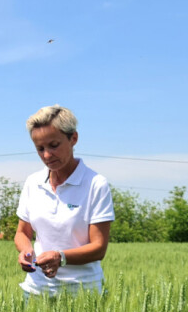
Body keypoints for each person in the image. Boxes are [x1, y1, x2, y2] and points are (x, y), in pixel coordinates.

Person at [14, 105, 114, 297]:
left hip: (82, 293)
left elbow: (99, 247)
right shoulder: (33, 183)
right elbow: (22, 232)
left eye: (54, 145)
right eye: (40, 148)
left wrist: (60, 257)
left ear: (73, 138)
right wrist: (26, 252)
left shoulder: (95, 184)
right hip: (36, 290)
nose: (47, 155)